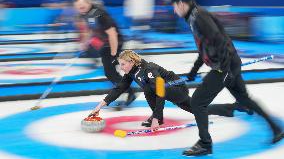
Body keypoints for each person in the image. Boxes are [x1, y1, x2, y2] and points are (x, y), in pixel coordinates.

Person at [171, 0, 284, 156]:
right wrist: (193, 71)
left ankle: (205, 144)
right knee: (245, 100)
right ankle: (277, 129)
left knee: (197, 102)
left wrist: (224, 70)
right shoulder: (194, 16)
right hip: (229, 64)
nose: (174, 10)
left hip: (224, 66)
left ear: (181, 4)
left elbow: (220, 41)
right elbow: (205, 47)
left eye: (174, 5)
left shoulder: (199, 17)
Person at [89, 50, 253, 129]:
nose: (121, 67)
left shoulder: (148, 69)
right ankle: (235, 107)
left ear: (132, 61)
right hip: (169, 92)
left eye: (123, 64)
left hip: (177, 88)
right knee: (199, 110)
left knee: (151, 88)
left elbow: (160, 92)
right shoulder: (131, 73)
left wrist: (156, 118)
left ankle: (157, 117)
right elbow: (118, 89)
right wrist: (100, 106)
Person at [73, 0, 136, 107]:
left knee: (110, 73)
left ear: (88, 3)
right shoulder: (86, 14)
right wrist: (84, 43)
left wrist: (113, 54)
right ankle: (127, 91)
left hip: (114, 42)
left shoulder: (99, 13)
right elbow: (91, 30)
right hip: (104, 44)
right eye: (78, 7)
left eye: (82, 6)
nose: (80, 9)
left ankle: (130, 92)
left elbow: (112, 34)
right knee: (110, 73)